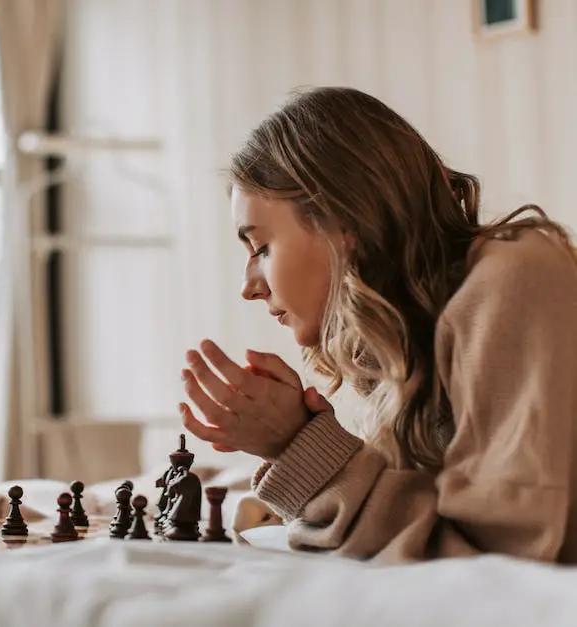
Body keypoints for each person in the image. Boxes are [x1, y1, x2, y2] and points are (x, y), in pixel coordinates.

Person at [179, 86, 577, 564]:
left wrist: (299, 444)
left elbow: (497, 565)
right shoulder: (405, 345)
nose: (249, 286)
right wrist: (293, 443)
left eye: (261, 248)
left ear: (344, 224)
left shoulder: (518, 277)